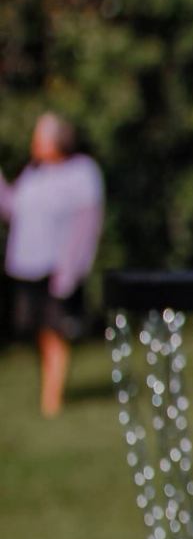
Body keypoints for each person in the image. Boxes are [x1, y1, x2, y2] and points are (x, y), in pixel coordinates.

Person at [1, 113, 104, 417]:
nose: (34, 142)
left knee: (54, 331)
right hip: (26, 266)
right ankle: (50, 394)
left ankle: (51, 401)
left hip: (56, 269)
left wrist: (71, 270)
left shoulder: (81, 172)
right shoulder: (34, 174)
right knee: (39, 333)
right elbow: (12, 210)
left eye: (40, 136)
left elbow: (86, 226)